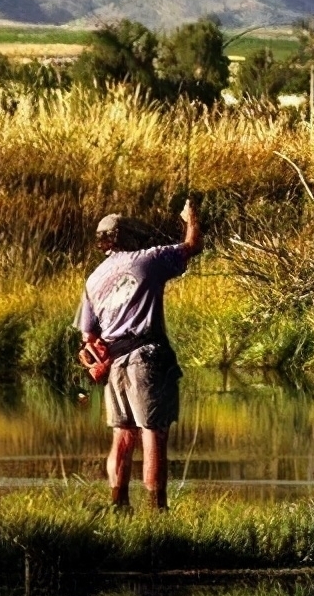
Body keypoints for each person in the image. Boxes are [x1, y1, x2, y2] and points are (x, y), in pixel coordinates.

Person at [75, 200, 202, 511]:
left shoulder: (93, 280)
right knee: (153, 435)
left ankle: (119, 506)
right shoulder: (149, 260)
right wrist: (191, 217)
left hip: (114, 364)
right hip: (147, 358)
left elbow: (88, 338)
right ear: (128, 236)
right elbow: (192, 245)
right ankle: (156, 512)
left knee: (122, 436)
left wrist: (96, 358)